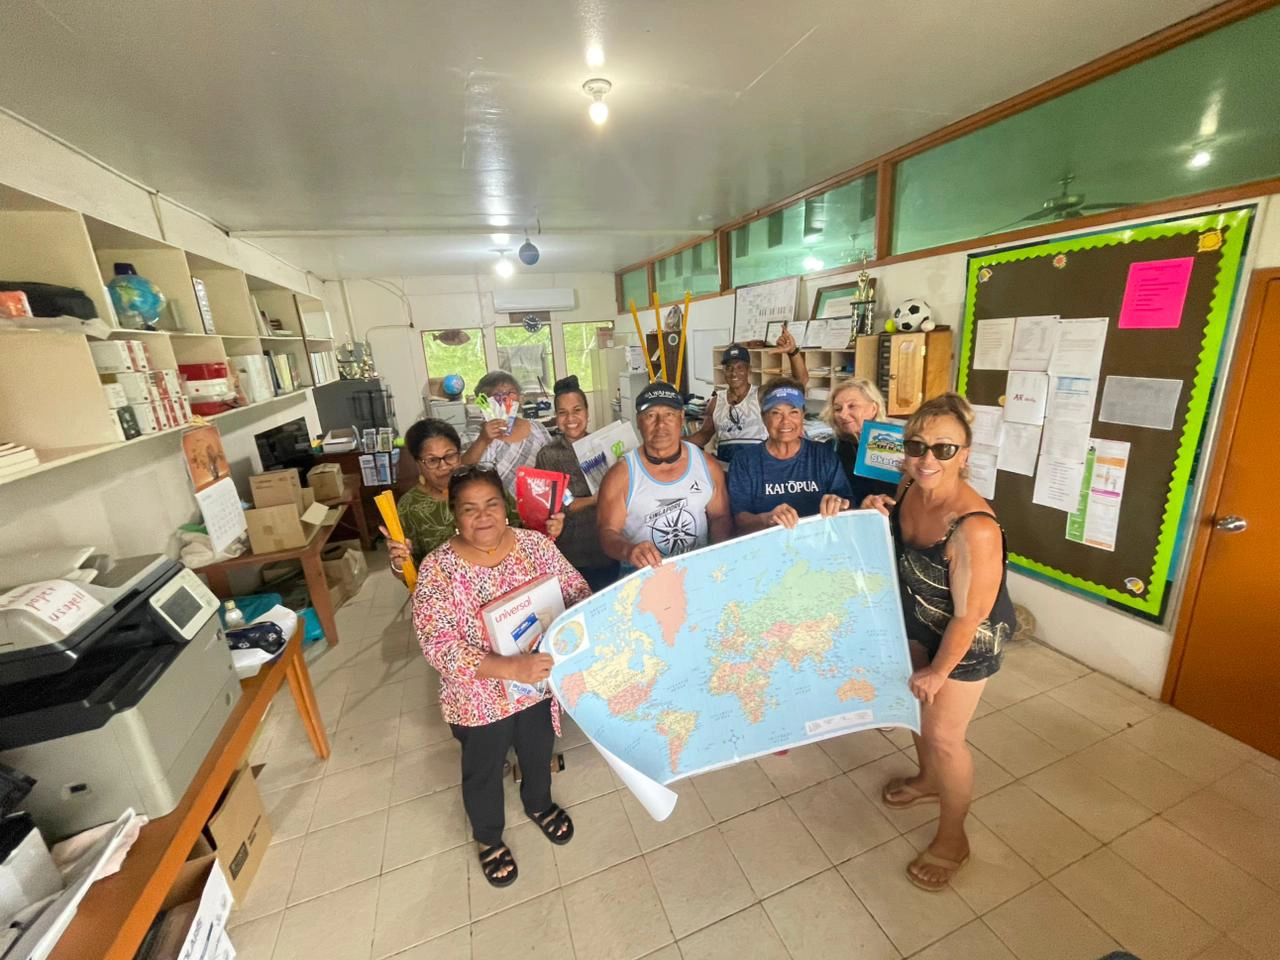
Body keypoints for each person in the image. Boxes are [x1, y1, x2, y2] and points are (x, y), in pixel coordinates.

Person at [862, 393, 1015, 893]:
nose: (928, 458)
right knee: (917, 714)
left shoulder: (975, 528)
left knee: (946, 737)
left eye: (944, 449)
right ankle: (928, 780)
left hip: (966, 639)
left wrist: (938, 671)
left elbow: (970, 616)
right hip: (919, 621)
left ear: (965, 454)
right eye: (917, 446)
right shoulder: (910, 485)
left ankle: (954, 839)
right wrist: (874, 512)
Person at [412, 464, 591, 888]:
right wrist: (509, 668)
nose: (483, 516)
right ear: (455, 514)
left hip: (537, 686)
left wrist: (574, 631)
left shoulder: (535, 546)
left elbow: (576, 591)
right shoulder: (438, 569)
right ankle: (488, 835)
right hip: (478, 698)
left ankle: (539, 803)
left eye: (491, 504)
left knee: (537, 749)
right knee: (484, 769)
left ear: (505, 506)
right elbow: (438, 644)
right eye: (469, 508)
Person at [382, 418, 560, 582]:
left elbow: (523, 534)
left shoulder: (484, 487)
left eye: (450, 456)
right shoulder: (410, 507)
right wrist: (399, 565)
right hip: (451, 596)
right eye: (432, 460)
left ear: (459, 454)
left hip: (508, 585)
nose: (443, 466)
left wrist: (548, 528)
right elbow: (412, 576)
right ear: (418, 463)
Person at [597, 380, 733, 570]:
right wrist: (628, 550)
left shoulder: (707, 466)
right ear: (638, 421)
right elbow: (607, 532)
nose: (660, 424)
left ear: (681, 417)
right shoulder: (620, 476)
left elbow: (720, 517)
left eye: (669, 414)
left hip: (697, 573)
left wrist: (718, 562)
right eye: (650, 415)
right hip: (642, 580)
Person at [728, 377, 853, 533]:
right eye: (776, 413)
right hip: (768, 545)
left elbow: (847, 505)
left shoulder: (824, 455)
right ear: (763, 417)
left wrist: (838, 504)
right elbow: (740, 521)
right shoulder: (745, 461)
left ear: (803, 415)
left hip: (819, 541)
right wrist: (768, 519)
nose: (785, 421)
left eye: (793, 412)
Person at [534, 375, 621, 591]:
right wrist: (595, 499)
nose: (570, 418)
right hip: (571, 552)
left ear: (587, 413)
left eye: (577, 410)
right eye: (562, 412)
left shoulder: (606, 445)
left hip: (607, 546)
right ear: (556, 417)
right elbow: (557, 507)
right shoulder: (548, 455)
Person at [689, 329, 809, 467]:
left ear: (748, 370)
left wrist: (793, 352)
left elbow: (800, 382)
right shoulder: (716, 402)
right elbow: (703, 436)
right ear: (723, 371)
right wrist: (675, 442)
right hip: (728, 468)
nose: (734, 373)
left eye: (740, 367)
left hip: (759, 467)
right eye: (729, 368)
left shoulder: (761, 394)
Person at [461, 370, 552, 495]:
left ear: (520, 398)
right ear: (484, 401)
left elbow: (553, 464)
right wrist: (483, 440)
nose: (505, 398)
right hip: (491, 502)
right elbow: (462, 471)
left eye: (511, 393)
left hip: (536, 499)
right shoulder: (472, 434)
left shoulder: (537, 429)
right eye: (496, 394)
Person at [824, 377, 898, 504]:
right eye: (837, 409)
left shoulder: (894, 444)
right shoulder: (830, 448)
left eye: (852, 406)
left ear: (873, 409)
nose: (842, 415)